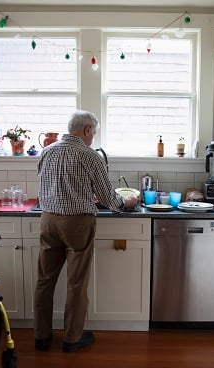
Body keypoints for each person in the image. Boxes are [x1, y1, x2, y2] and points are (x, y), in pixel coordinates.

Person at [34, 110, 138, 352]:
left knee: (44, 281)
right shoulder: (89, 156)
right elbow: (107, 197)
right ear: (87, 130)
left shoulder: (47, 152)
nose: (93, 137)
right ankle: (72, 338)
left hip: (48, 220)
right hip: (77, 223)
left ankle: (41, 337)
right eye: (94, 132)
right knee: (76, 283)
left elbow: (47, 185)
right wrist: (127, 203)